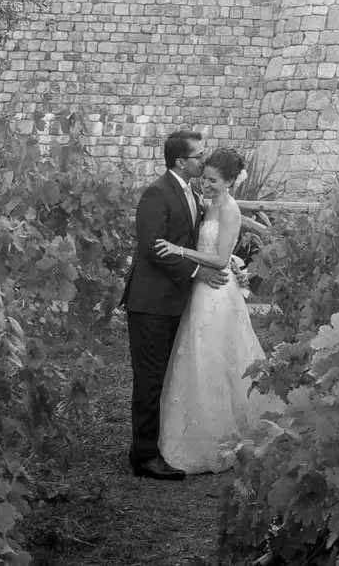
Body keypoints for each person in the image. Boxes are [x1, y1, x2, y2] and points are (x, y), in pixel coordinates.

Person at [154, 147, 274, 473]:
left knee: (213, 360)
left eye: (214, 181)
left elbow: (220, 259)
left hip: (217, 294)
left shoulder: (230, 209)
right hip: (201, 290)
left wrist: (180, 250)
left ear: (231, 181)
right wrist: (232, 260)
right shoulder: (210, 204)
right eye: (205, 178)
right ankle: (194, 434)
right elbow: (224, 252)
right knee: (195, 359)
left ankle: (219, 439)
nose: (206, 185)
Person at [120, 131, 225, 481]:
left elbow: (186, 241)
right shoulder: (157, 193)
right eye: (199, 156)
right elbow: (153, 247)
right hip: (150, 302)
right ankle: (144, 456)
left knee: (165, 377)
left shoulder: (192, 192)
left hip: (173, 300)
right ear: (181, 162)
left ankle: (157, 443)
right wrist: (198, 271)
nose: (204, 160)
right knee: (149, 380)